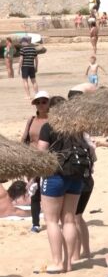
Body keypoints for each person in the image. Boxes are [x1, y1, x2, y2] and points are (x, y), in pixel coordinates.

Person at [37, 96, 90, 273]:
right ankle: (69, 263)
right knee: (68, 219)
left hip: (55, 175)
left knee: (51, 220)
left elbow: (41, 153)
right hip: (76, 175)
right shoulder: (76, 128)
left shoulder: (48, 127)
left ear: (52, 111)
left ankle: (58, 261)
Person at [22, 91, 51, 232]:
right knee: (35, 192)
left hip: (48, 160)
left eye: (44, 101)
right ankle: (35, 223)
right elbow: (24, 140)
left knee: (48, 193)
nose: (40, 104)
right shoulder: (32, 119)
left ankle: (51, 221)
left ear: (49, 103)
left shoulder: (53, 120)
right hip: (32, 159)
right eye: (38, 102)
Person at [73, 133, 96, 261]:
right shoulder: (86, 138)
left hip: (78, 181)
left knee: (74, 217)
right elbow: (93, 159)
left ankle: (76, 254)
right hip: (88, 180)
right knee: (78, 217)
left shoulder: (71, 139)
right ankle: (86, 251)